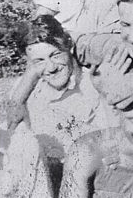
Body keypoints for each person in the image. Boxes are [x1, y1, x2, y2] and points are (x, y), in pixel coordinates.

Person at [8, 15, 108, 161]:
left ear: (68, 45)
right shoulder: (24, 89)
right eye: (39, 61)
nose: (51, 68)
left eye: (55, 55)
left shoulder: (94, 85)